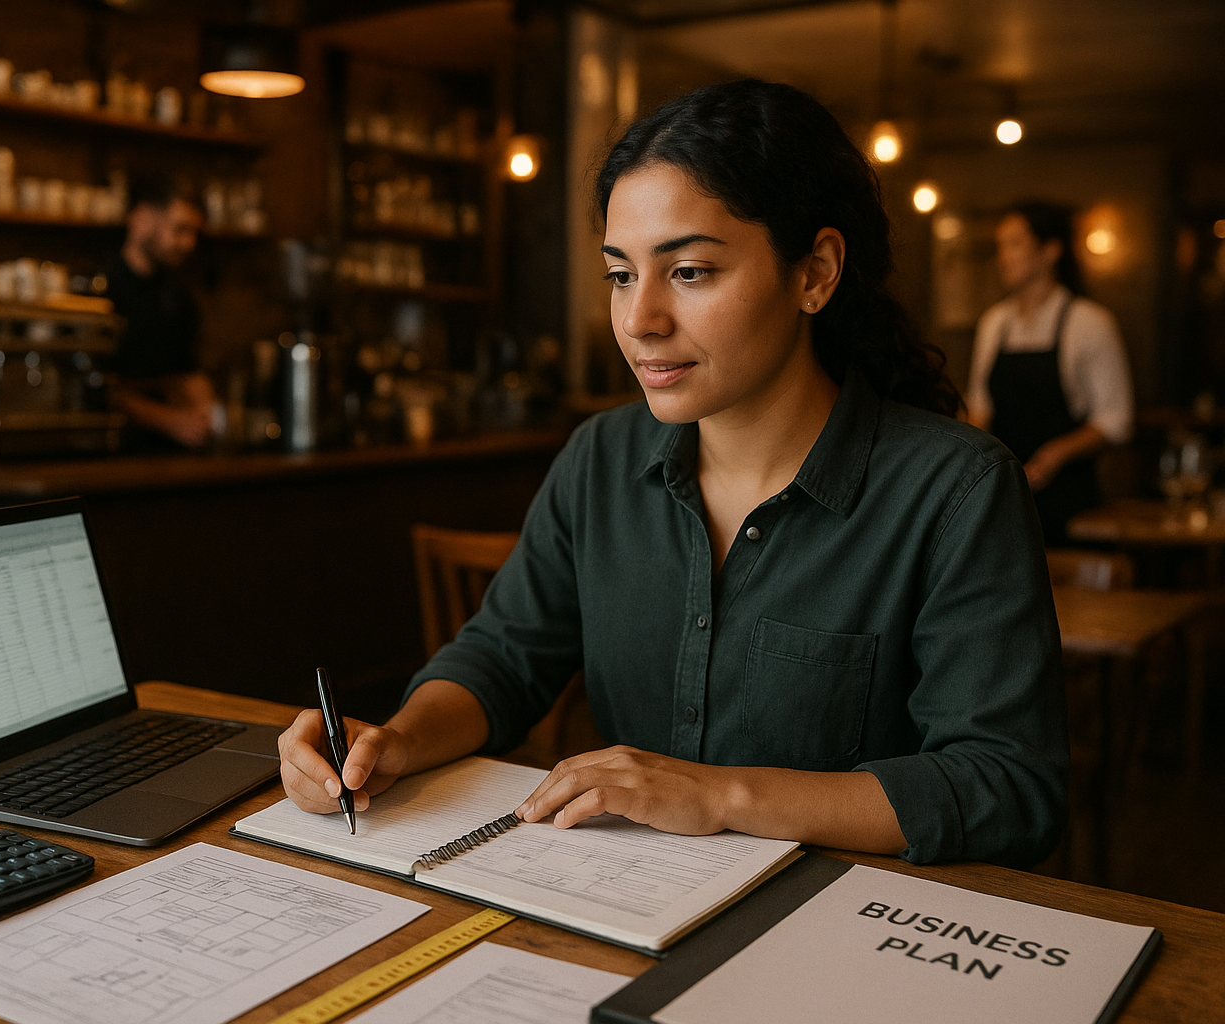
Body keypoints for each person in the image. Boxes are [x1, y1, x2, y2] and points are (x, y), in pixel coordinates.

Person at [276, 80, 1069, 868]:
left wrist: (720, 797)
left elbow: (1006, 784)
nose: (639, 320)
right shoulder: (600, 458)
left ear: (815, 272)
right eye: (621, 275)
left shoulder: (956, 490)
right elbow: (502, 659)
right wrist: (395, 743)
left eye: (688, 271)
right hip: (628, 899)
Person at [966, 202, 1133, 547]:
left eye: (1015, 244)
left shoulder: (1089, 322)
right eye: (1000, 246)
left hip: (1067, 503)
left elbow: (1116, 420)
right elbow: (980, 407)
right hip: (1004, 496)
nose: (1003, 257)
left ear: (1051, 250)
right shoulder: (994, 323)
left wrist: (1056, 454)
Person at [102, 174, 219, 449]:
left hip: (174, 454)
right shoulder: (102, 291)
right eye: (180, 229)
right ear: (142, 219)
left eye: (194, 233)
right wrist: (170, 421)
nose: (189, 244)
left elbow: (189, 371)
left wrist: (211, 415)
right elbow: (99, 390)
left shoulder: (179, 297)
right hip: (114, 452)